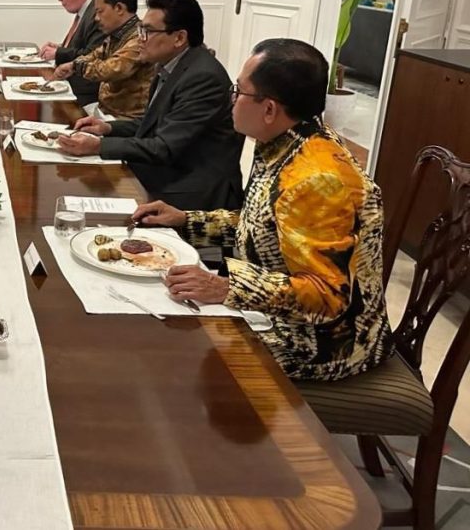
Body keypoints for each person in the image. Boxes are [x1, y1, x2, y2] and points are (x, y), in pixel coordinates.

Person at [133, 39, 394, 381]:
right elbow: (264, 226)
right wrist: (186, 220)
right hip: (279, 317)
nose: (230, 100)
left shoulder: (316, 181)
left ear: (269, 109)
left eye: (238, 91)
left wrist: (227, 288)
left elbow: (327, 297)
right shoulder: (286, 141)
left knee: (173, 357)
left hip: (323, 346)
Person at [58, 0, 243, 210]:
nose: (140, 39)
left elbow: (164, 146)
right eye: (139, 30)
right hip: (167, 169)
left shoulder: (202, 78)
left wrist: (99, 146)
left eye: (147, 32)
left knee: (84, 198)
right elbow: (153, 123)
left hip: (190, 186)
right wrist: (107, 128)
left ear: (179, 38)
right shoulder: (170, 64)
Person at [50, 0, 153, 119]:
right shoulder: (117, 34)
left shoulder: (139, 38)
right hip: (105, 112)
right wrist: (72, 64)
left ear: (119, 8)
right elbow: (95, 55)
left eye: (100, 12)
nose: (96, 18)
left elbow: (111, 69)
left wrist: (76, 67)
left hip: (125, 119)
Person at [39, 0, 105, 105]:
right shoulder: (85, 12)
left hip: (83, 92)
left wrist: (58, 53)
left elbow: (92, 54)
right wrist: (60, 47)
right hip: (70, 84)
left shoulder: (96, 14)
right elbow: (81, 46)